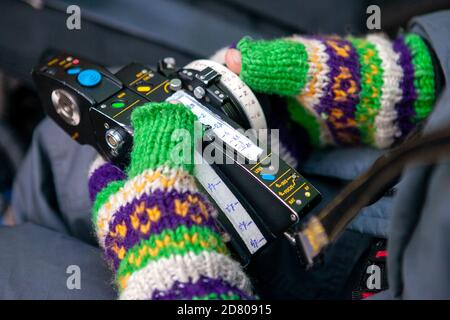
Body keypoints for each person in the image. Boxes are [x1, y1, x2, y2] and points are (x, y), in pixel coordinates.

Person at [1, 10, 449, 299]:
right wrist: (410, 77)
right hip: (395, 179)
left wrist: (180, 271)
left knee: (15, 266)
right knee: (60, 146)